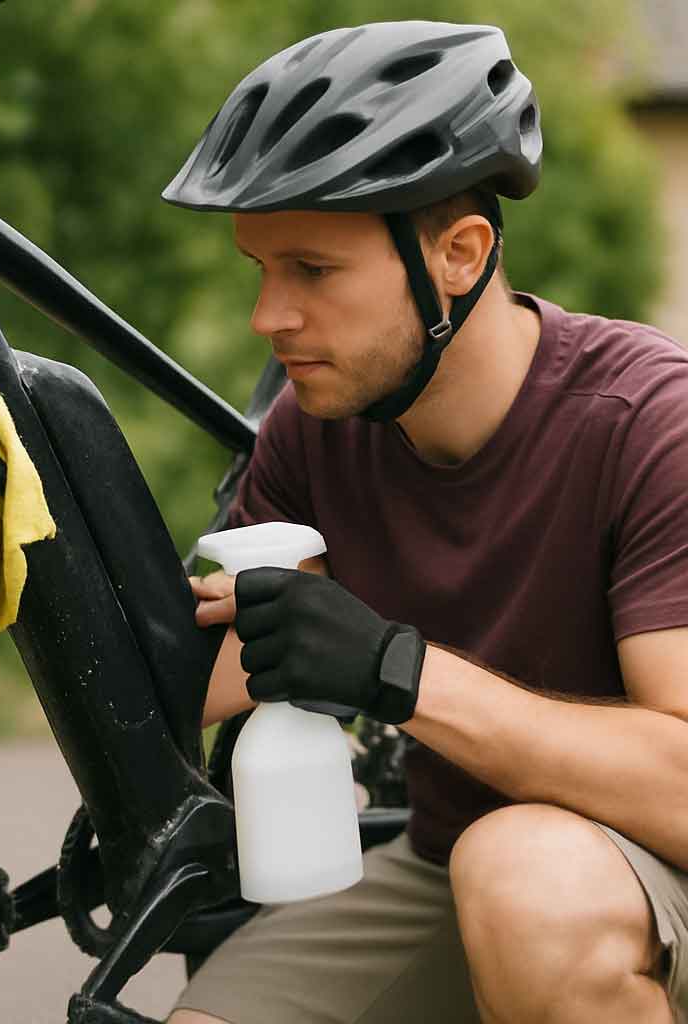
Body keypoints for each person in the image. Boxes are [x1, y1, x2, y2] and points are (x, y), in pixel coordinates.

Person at [161, 20, 688, 1024]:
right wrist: (11, 564)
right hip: (449, 870)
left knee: (524, 880)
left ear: (459, 253)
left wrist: (397, 670)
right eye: (259, 269)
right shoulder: (317, 431)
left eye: (311, 271)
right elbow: (202, 675)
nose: (267, 318)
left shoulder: (650, 424)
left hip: (634, 877)